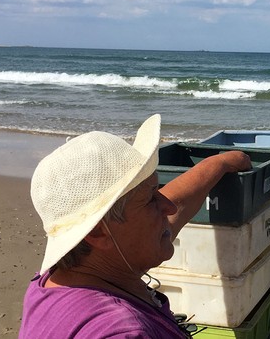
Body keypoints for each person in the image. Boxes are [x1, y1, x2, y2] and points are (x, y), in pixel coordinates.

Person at [19, 114, 251, 338]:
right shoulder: (123, 332)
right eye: (151, 198)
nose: (167, 206)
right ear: (99, 231)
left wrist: (219, 163)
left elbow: (176, 205)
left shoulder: (54, 279)